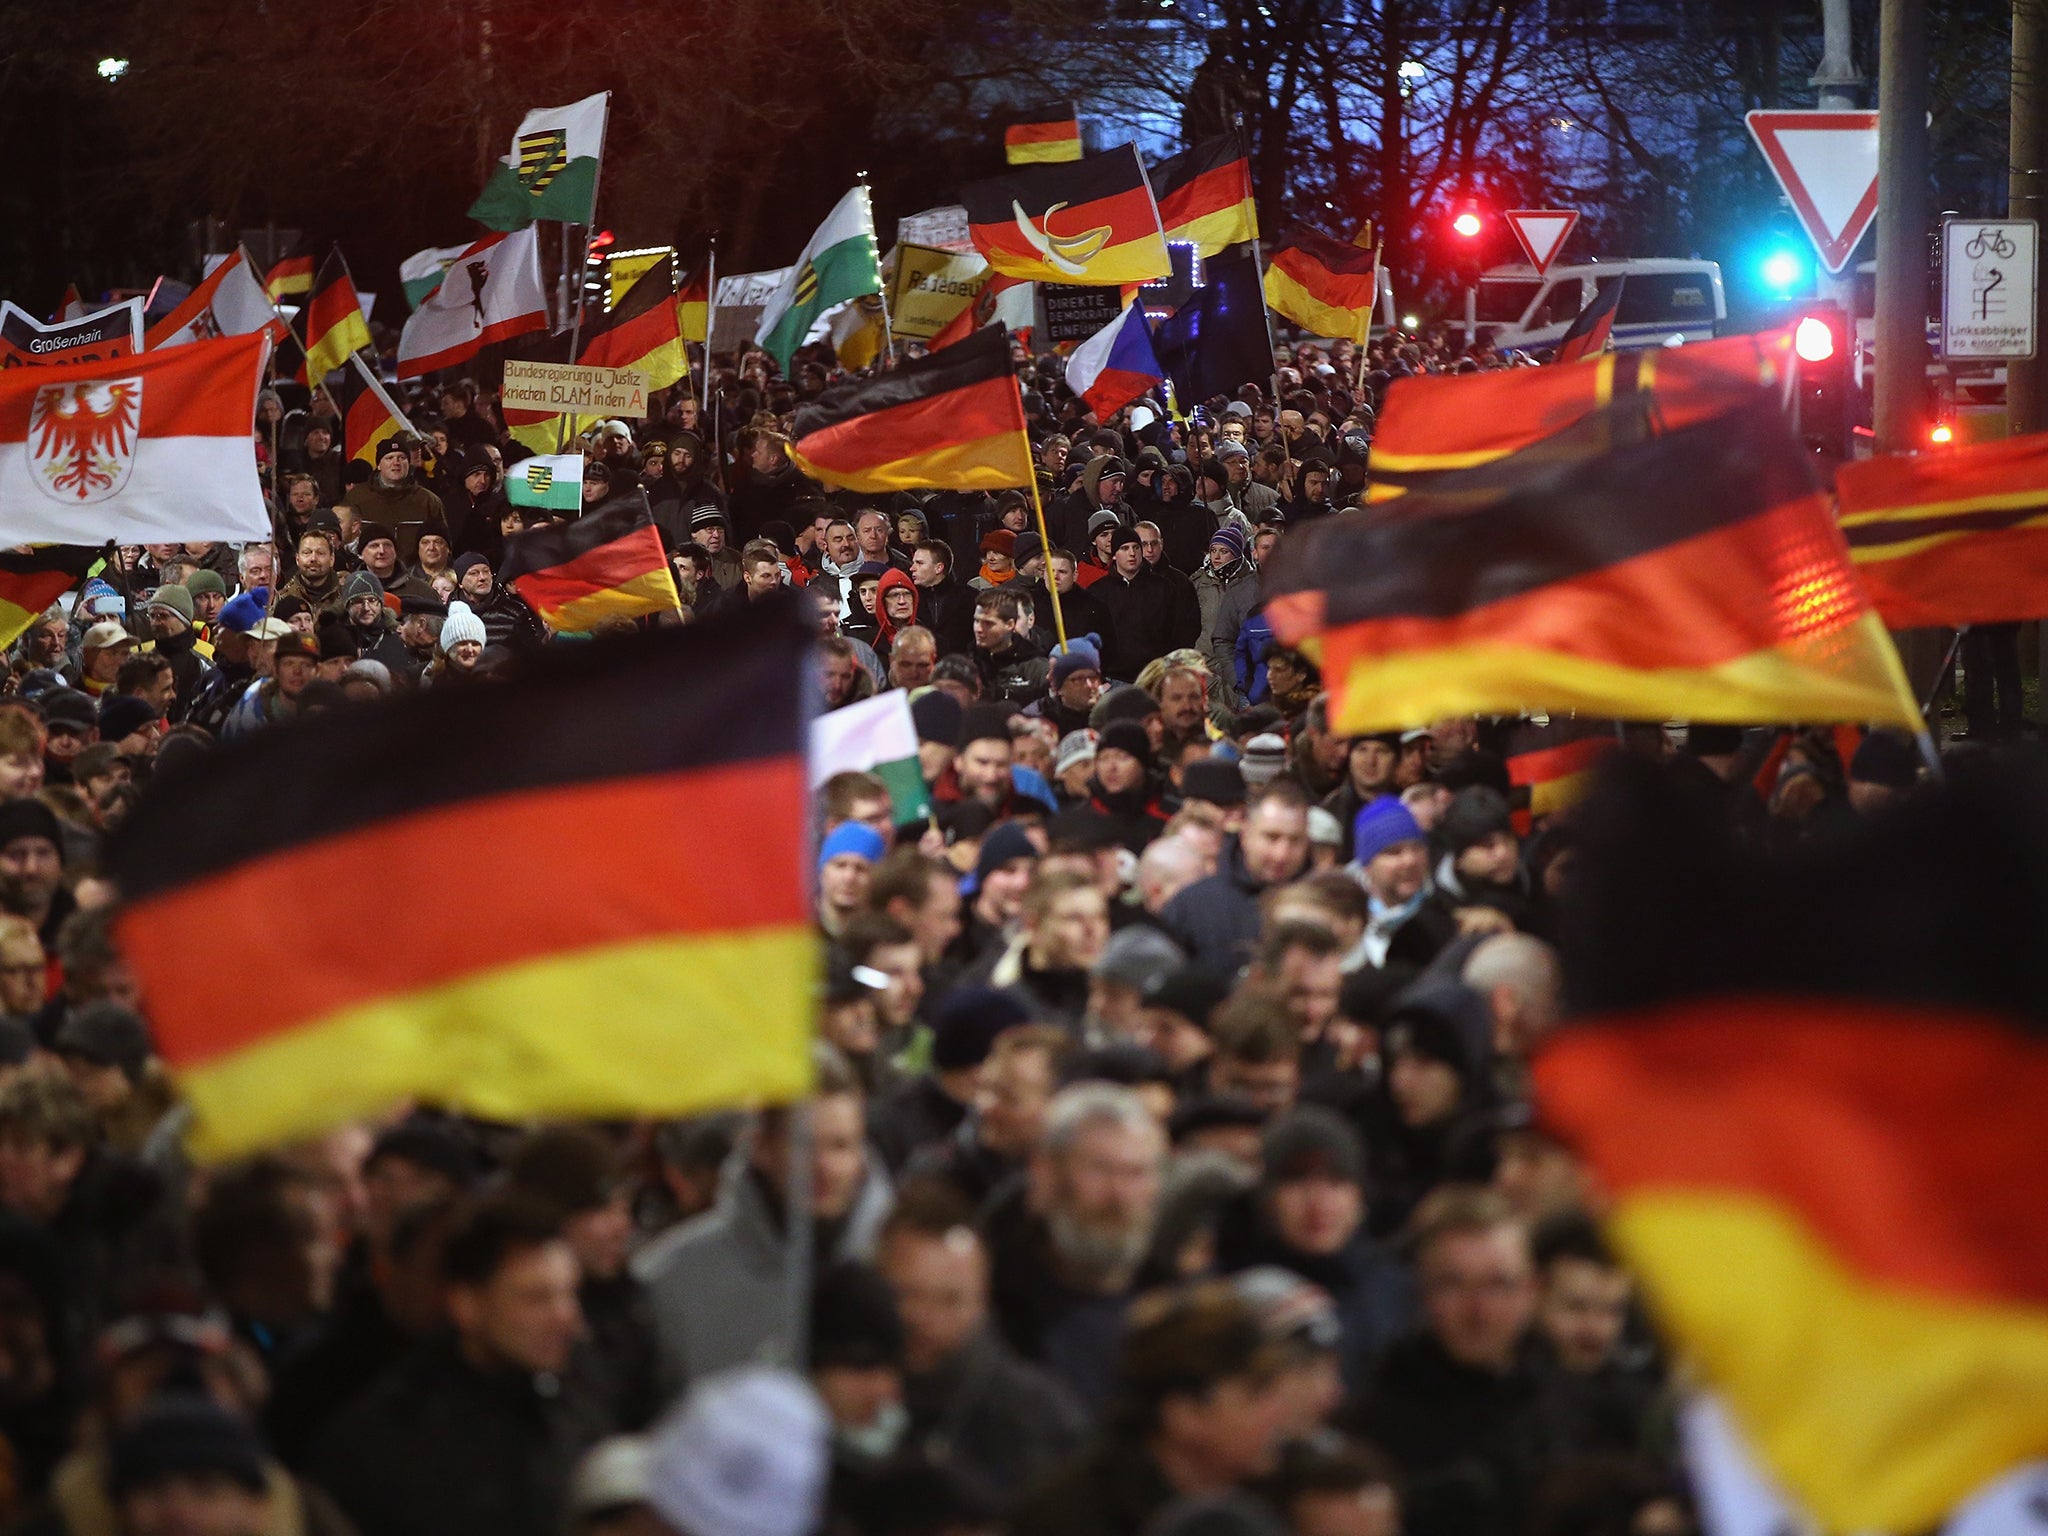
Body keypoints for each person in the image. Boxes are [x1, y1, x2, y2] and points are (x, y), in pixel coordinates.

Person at [311, 1192, 614, 1536]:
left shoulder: (583, 1390)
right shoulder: (388, 1438)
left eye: (570, 1293)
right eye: (536, 1298)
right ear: (466, 1304)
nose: (566, 1318)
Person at [633, 1048, 892, 1397]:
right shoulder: (667, 1279)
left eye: (841, 1146)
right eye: (804, 1145)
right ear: (762, 1147)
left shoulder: (907, 1266)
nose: (824, 1167)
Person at [1006, 1280, 1295, 1536]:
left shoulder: (1281, 1496)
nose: (1278, 1412)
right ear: (1184, 1414)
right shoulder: (1067, 1518)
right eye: (1257, 1395)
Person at [1345, 1187, 1557, 1536]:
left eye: (1499, 1284)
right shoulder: (1371, 1432)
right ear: (1422, 1292)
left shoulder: (1573, 1403)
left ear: (1532, 1290)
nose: (1479, 1311)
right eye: (1453, 1285)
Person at [874, 1186, 1088, 1502]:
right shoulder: (827, 1399)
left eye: (950, 1300)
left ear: (982, 1300)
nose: (922, 1317)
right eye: (904, 1295)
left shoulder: (1039, 1420)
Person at [983, 1082, 1165, 1407]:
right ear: (1045, 1174)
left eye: (1136, 1173)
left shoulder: (1179, 1298)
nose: (1119, 1196)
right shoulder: (987, 1306)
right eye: (1100, 1170)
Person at [1213, 1108, 1412, 1395]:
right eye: (1296, 1181)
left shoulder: (1398, 1291)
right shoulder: (1225, 1295)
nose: (1318, 1204)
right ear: (1265, 1198)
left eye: (1336, 1182)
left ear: (1359, 1197)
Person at [1160, 782, 1312, 968]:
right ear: (1246, 834)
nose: (1282, 854)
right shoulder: (1192, 905)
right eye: (1271, 838)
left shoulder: (1321, 905)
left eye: (1295, 840)